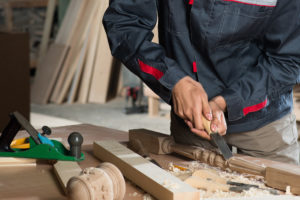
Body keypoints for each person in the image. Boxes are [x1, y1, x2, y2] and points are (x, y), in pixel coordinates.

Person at [103, 0, 300, 164]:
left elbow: (290, 59)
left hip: (265, 128)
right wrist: (174, 81)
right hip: (191, 128)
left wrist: (226, 102)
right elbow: (124, 24)